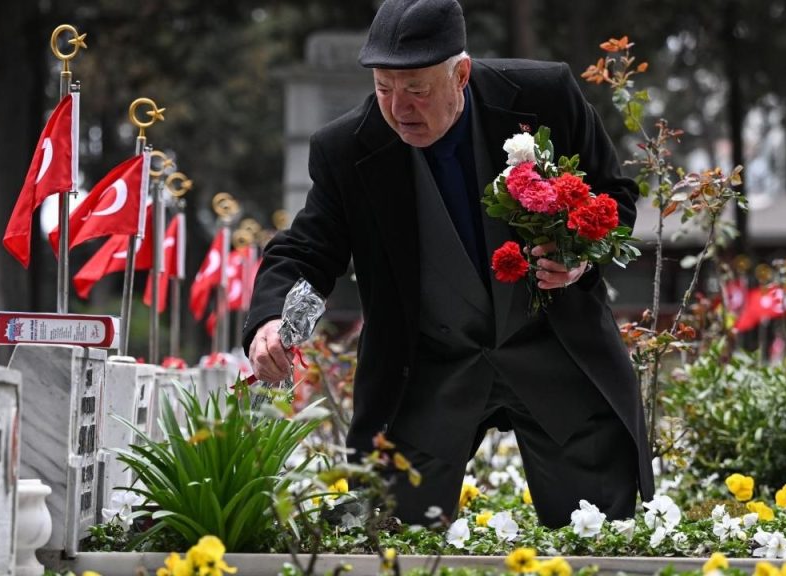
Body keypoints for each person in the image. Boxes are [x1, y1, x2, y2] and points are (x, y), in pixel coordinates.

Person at [244, 0, 654, 528]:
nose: (399, 109)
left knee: (597, 535)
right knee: (391, 535)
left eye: (417, 89)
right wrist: (270, 320)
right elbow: (306, 248)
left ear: (461, 74)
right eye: (384, 88)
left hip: (554, 350)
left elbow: (613, 195)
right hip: (427, 367)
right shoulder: (347, 148)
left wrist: (576, 257)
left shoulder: (544, 96)